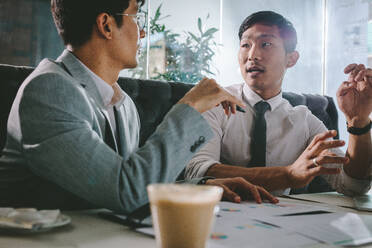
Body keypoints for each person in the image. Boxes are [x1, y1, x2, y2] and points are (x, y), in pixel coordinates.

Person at [0, 1, 281, 213]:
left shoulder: (122, 102)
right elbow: (126, 191)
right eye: (136, 17)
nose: (144, 31)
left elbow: (138, 181)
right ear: (106, 25)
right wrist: (190, 105)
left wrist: (204, 188)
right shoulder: (48, 90)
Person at [186, 11, 372, 196]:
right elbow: (198, 171)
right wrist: (287, 175)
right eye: (245, 45)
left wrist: (359, 122)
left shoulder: (304, 120)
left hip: (282, 221)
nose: (252, 55)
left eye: (265, 44)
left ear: (291, 58)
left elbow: (353, 186)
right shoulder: (216, 102)